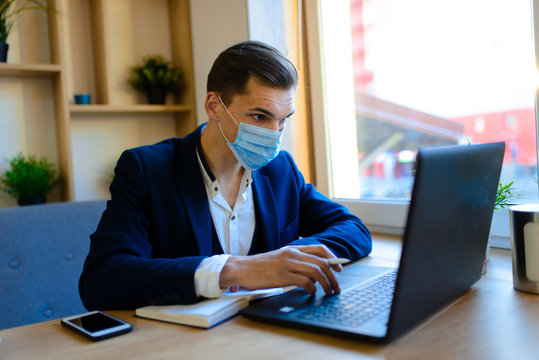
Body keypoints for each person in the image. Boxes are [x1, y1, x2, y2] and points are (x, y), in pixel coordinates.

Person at [79, 41, 372, 310]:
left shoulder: (280, 169)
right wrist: (233, 270)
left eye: (283, 120)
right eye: (260, 116)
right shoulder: (147, 170)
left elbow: (352, 228)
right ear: (214, 106)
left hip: (268, 335)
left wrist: (291, 258)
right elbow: (101, 279)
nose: (274, 134)